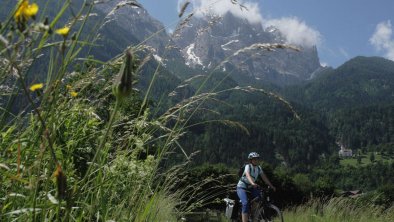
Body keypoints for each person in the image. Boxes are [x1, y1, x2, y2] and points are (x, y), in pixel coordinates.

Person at [236, 152, 276, 222]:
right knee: (245, 203)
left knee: (259, 198)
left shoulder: (259, 168)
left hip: (251, 187)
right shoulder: (248, 166)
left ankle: (253, 216)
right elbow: (248, 175)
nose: (256, 160)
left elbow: (264, 178)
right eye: (254, 159)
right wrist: (252, 183)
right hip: (241, 187)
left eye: (257, 159)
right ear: (251, 160)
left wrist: (271, 186)